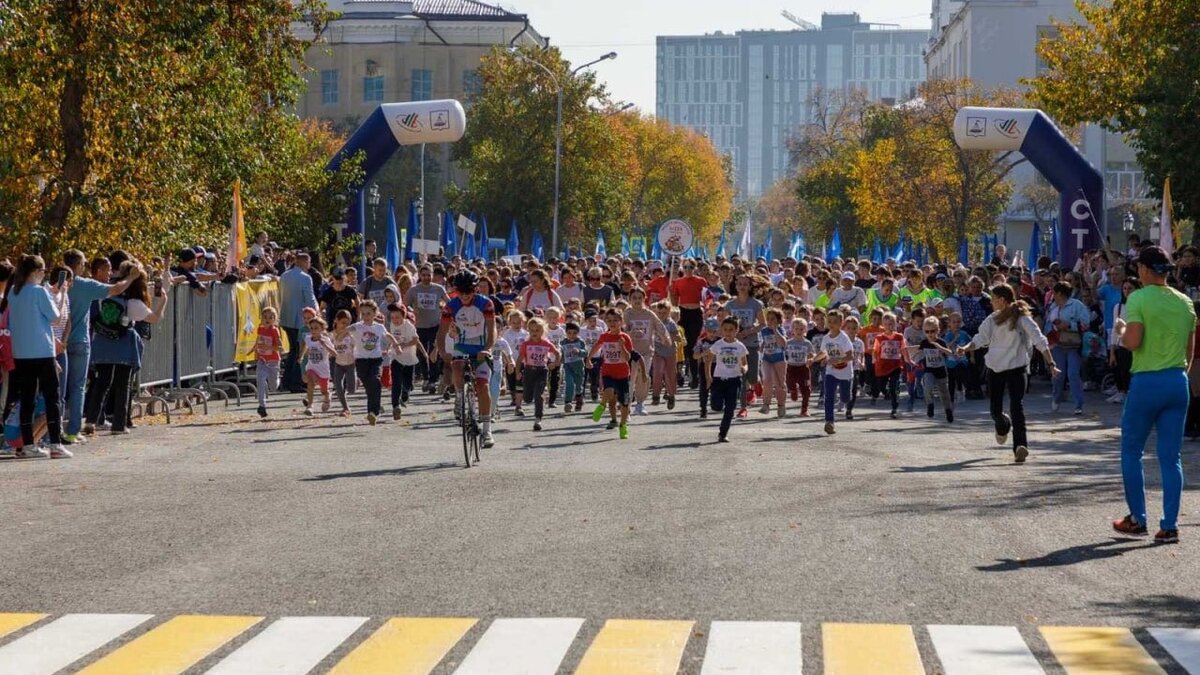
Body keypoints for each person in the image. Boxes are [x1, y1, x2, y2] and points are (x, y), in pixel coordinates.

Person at [1112, 246, 1194, 544]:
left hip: (1147, 382)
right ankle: (1169, 526)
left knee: (1131, 451)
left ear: (1145, 270)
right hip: (1177, 381)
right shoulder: (1186, 302)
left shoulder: (1138, 298)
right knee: (1171, 457)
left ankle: (1137, 519)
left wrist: (1120, 330)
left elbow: (1133, 342)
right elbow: (1190, 352)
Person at [959, 284, 1058, 464]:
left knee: (1016, 406)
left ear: (1002, 300)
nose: (991, 301)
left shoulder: (1022, 319)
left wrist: (1050, 362)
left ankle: (1020, 446)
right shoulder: (992, 319)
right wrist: (966, 348)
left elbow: (1039, 340)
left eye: (994, 298)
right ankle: (1002, 425)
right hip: (995, 368)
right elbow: (980, 338)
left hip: (1017, 368)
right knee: (995, 410)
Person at [85, 260, 171, 437]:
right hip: (124, 343)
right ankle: (119, 423)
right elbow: (154, 318)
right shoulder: (134, 303)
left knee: (101, 383)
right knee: (123, 384)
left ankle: (91, 420)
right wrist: (163, 300)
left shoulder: (107, 293)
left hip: (102, 341)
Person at [4, 255, 67, 458]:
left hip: (21, 353)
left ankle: (28, 445)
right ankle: (56, 444)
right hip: (41, 350)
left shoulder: (14, 292)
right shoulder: (39, 292)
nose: (43, 275)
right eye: (42, 272)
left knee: (27, 398)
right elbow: (56, 318)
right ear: (36, 272)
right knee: (52, 397)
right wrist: (61, 295)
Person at [437, 270, 497, 447]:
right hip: (461, 346)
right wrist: (442, 351)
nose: (464, 296)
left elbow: (492, 329)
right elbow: (441, 332)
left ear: (475, 289)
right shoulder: (451, 306)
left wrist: (488, 348)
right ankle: (460, 395)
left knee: (483, 385)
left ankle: (487, 431)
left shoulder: (485, 304)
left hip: (481, 347)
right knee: (456, 367)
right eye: (460, 292)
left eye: (468, 292)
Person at [1044, 281, 1090, 415]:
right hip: (1057, 345)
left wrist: (1069, 325)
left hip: (1073, 345)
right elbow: (1047, 325)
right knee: (1058, 375)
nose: (1053, 295)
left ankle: (1078, 404)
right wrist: (1054, 327)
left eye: (1054, 293)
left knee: (1073, 374)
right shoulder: (1053, 307)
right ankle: (1056, 398)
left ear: (1060, 293)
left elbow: (1086, 324)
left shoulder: (1077, 305)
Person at [351, 299, 397, 426]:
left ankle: (372, 412)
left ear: (375, 313)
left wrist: (396, 345)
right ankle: (377, 407)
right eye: (363, 314)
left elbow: (388, 335)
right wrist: (338, 334)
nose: (365, 317)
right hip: (361, 360)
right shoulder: (358, 326)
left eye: (368, 314)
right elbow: (345, 330)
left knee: (375, 381)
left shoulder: (379, 327)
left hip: (375, 359)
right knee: (369, 386)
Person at [589, 309, 634, 440]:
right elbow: (596, 347)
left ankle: (623, 425)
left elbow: (627, 358)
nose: (612, 323)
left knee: (625, 403)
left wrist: (622, 347)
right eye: (609, 320)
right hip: (608, 372)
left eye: (615, 320)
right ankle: (602, 405)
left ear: (621, 322)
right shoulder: (604, 336)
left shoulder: (625, 338)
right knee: (608, 392)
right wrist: (589, 358)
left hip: (623, 374)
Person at [727, 274, 767, 418]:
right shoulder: (730, 305)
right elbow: (725, 323)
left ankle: (757, 384)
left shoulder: (756, 304)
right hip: (737, 345)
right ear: (736, 286)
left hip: (752, 343)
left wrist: (749, 331)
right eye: (740, 284)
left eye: (745, 284)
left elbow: (763, 323)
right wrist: (732, 333)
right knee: (742, 376)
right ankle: (743, 407)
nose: (742, 286)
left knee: (752, 377)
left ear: (750, 287)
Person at [405, 265, 449, 394]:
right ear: (419, 275)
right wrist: (412, 311)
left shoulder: (438, 288)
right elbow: (404, 305)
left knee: (434, 352)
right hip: (419, 326)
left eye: (428, 275)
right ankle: (425, 377)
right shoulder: (414, 290)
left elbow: (448, 302)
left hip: (435, 325)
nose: (426, 278)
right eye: (423, 275)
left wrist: (445, 309)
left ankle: (433, 380)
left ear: (432, 275)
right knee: (422, 353)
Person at [279, 252, 318, 392]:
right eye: (308, 262)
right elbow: (309, 297)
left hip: (286, 318)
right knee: (299, 350)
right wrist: (316, 313)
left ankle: (287, 381)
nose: (309, 265)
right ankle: (295, 382)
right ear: (303, 262)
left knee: (293, 350)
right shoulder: (305, 278)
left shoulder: (284, 276)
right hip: (300, 319)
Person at [705, 317, 749, 443]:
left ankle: (723, 433)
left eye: (731, 329)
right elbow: (708, 360)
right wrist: (709, 377)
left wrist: (744, 369)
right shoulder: (718, 345)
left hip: (734, 380)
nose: (728, 332)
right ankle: (716, 404)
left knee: (730, 407)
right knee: (716, 406)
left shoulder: (740, 346)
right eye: (725, 329)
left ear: (737, 330)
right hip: (719, 379)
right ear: (721, 330)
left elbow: (745, 363)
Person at [815, 308, 855, 434]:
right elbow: (823, 352)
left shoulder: (844, 338)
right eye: (830, 321)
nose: (832, 324)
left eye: (835, 321)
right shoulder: (826, 338)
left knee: (845, 398)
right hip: (831, 372)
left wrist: (836, 360)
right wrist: (813, 360)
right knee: (829, 396)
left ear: (841, 323)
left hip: (845, 373)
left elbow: (850, 356)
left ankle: (844, 400)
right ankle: (829, 422)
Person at [517, 317, 560, 432]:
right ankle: (534, 397)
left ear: (542, 331)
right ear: (528, 331)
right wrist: (517, 372)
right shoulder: (526, 344)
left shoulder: (546, 343)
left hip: (542, 371)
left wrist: (555, 363)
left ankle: (538, 418)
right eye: (531, 330)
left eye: (537, 330)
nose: (534, 333)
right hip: (529, 371)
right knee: (527, 398)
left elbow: (557, 352)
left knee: (538, 394)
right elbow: (520, 358)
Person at [670, 259, 708, 388]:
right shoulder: (677, 282)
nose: (688, 269)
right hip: (682, 313)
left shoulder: (701, 281)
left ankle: (694, 375)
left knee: (693, 344)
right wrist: (670, 291)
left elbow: (706, 298)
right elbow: (674, 300)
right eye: (685, 267)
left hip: (696, 313)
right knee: (682, 344)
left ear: (695, 268)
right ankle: (680, 372)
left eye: (691, 267)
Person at [910, 316, 955, 423]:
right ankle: (930, 404)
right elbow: (917, 349)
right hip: (928, 370)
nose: (930, 334)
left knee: (944, 393)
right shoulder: (924, 342)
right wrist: (907, 353)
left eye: (932, 331)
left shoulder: (941, 342)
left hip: (940, 370)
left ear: (938, 330)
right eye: (927, 331)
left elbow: (949, 353)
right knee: (927, 387)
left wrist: (939, 347)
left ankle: (948, 410)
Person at [387, 303, 423, 419]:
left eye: (397, 317)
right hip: (396, 357)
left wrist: (404, 344)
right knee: (396, 382)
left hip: (409, 358)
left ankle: (405, 392)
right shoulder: (392, 324)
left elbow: (415, 340)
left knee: (408, 384)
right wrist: (389, 348)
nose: (395, 320)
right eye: (392, 317)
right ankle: (395, 406)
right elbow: (392, 338)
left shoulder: (409, 326)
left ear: (403, 316)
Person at [300, 316, 336, 416]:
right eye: (311, 328)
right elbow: (306, 346)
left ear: (322, 329)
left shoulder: (326, 340)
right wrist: (302, 356)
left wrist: (325, 345)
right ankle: (310, 406)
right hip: (312, 367)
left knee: (324, 391)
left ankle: (327, 397)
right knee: (310, 383)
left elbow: (334, 354)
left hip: (323, 370)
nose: (313, 330)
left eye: (316, 328)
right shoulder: (308, 338)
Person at [254, 306, 284, 418]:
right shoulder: (260, 329)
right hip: (262, 360)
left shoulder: (275, 331)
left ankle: (278, 380)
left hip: (273, 361)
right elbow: (258, 340)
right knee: (260, 380)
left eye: (271, 317)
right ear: (261, 318)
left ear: (274, 319)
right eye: (265, 317)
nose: (267, 319)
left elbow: (280, 348)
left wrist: (269, 347)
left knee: (273, 387)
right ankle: (262, 406)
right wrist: (255, 349)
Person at [784, 318, 814, 416]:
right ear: (792, 330)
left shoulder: (807, 343)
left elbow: (811, 354)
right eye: (796, 329)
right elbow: (783, 354)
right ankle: (793, 390)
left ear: (805, 330)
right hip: (791, 367)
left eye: (801, 329)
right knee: (789, 383)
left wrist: (811, 359)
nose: (799, 331)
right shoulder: (788, 343)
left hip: (803, 368)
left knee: (806, 389)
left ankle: (804, 409)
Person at [330, 310, 356, 416]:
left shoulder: (351, 335)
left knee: (351, 389)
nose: (345, 325)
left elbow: (357, 347)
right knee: (338, 385)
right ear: (336, 321)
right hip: (338, 363)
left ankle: (356, 379)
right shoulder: (331, 335)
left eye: (348, 323)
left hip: (350, 364)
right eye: (343, 322)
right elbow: (327, 346)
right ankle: (345, 408)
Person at [559, 322, 587, 412]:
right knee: (569, 383)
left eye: (574, 333)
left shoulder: (580, 341)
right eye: (569, 333)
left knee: (578, 386)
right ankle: (568, 402)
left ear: (578, 333)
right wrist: (559, 359)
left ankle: (579, 401)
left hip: (578, 366)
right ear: (566, 333)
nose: (571, 335)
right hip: (568, 366)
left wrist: (579, 351)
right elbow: (560, 353)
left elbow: (585, 353)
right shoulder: (563, 342)